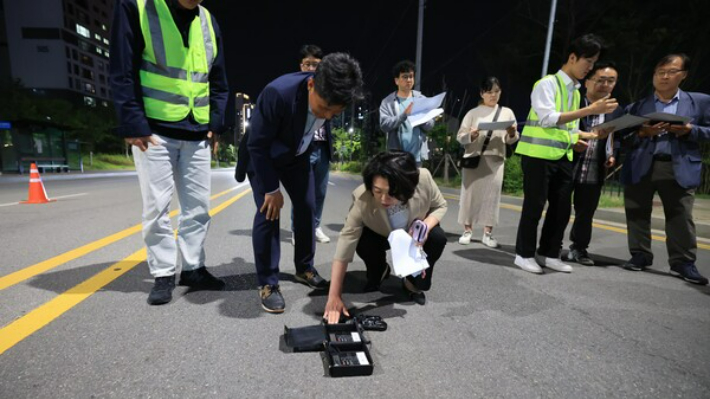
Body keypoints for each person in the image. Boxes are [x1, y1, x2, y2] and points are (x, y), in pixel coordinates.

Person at [110, 0, 229, 305]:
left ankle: (192, 268)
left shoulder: (208, 20)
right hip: (154, 131)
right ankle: (163, 273)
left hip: (197, 131)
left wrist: (215, 124)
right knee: (157, 209)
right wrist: (133, 123)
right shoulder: (137, 8)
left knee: (198, 208)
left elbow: (218, 80)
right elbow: (122, 70)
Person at [236, 53, 365, 313]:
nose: (328, 115)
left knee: (307, 207)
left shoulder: (331, 95)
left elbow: (314, 125)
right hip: (264, 155)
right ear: (310, 85)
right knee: (268, 212)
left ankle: (304, 268)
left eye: (334, 112)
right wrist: (272, 189)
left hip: (296, 155)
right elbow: (257, 145)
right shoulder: (278, 94)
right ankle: (268, 282)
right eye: (325, 108)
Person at [514, 33, 618, 274]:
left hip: (563, 156)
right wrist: (590, 110)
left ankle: (548, 253)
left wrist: (582, 137)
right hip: (537, 155)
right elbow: (548, 119)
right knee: (535, 206)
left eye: (593, 63)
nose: (590, 68)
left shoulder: (575, 91)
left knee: (561, 208)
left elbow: (567, 128)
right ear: (572, 57)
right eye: (588, 62)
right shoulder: (546, 84)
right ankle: (524, 254)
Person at [323, 151, 448, 323]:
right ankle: (380, 270)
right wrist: (334, 295)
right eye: (377, 191)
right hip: (380, 235)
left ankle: (411, 282)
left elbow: (440, 206)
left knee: (437, 237)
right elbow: (346, 242)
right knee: (361, 240)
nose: (383, 199)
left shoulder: (423, 178)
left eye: (391, 193)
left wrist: (426, 225)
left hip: (413, 236)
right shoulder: (362, 198)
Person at [620, 53, 710, 285]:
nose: (664, 77)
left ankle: (683, 263)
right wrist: (642, 132)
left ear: (683, 75)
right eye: (660, 72)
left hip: (677, 164)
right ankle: (639, 255)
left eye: (671, 72)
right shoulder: (637, 106)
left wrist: (691, 130)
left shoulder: (700, 101)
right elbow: (622, 135)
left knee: (680, 215)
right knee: (637, 210)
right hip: (642, 163)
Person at [566, 61, 625, 266]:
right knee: (559, 208)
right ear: (587, 82)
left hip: (594, 167)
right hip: (567, 164)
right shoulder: (574, 103)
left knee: (586, 213)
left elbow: (616, 137)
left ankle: (579, 249)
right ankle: (551, 245)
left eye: (611, 81)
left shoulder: (617, 111)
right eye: (601, 80)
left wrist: (612, 154)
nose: (606, 84)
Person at [457, 77, 519, 247]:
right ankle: (467, 230)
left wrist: (512, 133)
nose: (493, 95)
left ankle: (488, 234)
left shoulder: (507, 112)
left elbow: (511, 140)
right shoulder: (472, 113)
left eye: (496, 91)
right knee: (469, 195)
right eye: (489, 92)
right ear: (482, 93)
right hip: (474, 158)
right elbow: (460, 137)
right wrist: (472, 135)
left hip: (496, 159)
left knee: (492, 196)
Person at [289, 45, 333, 245]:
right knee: (301, 192)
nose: (312, 68)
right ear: (301, 66)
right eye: (308, 64)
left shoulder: (327, 90)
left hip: (322, 146)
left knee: (320, 192)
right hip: (303, 147)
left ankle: (315, 226)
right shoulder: (295, 89)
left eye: (316, 65)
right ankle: (297, 230)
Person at [379, 60, 435, 166]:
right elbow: (384, 125)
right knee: (397, 182)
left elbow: (430, 126)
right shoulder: (388, 101)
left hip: (417, 157)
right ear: (396, 81)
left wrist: (423, 118)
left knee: (416, 182)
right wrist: (403, 115)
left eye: (411, 76)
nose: (409, 80)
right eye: (405, 77)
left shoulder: (421, 99)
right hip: (396, 156)